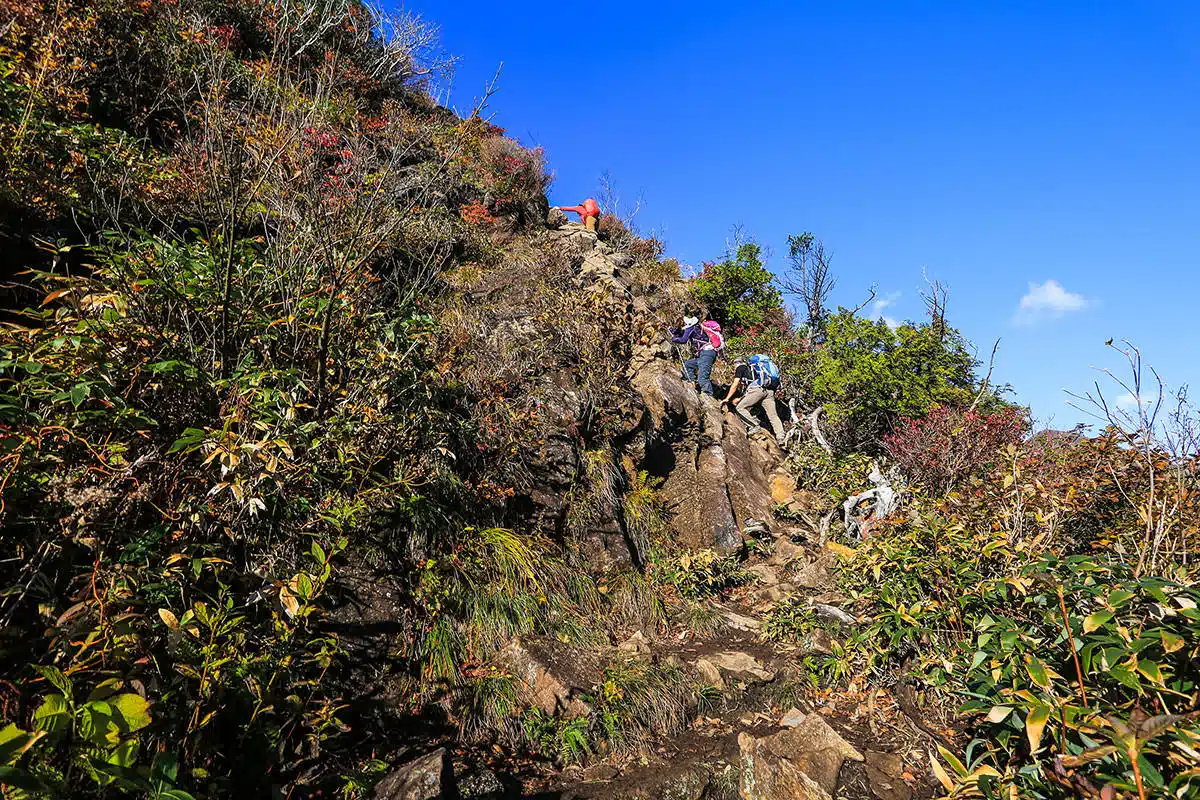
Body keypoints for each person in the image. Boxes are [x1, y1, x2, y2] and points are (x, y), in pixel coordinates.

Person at [722, 354, 785, 445]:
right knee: (773, 416)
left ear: (736, 363)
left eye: (734, 365)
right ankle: (781, 437)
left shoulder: (741, 368)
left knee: (740, 408)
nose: (734, 367)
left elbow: (736, 384)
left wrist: (727, 399)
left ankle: (754, 426)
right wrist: (741, 398)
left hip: (758, 390)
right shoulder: (754, 369)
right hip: (769, 391)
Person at [670, 314, 723, 397]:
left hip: (707, 353)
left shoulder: (691, 327)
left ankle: (708, 396)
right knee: (688, 364)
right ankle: (691, 382)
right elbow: (684, 335)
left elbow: (683, 340)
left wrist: (674, 338)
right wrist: (676, 333)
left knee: (702, 378)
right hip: (704, 354)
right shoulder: (697, 328)